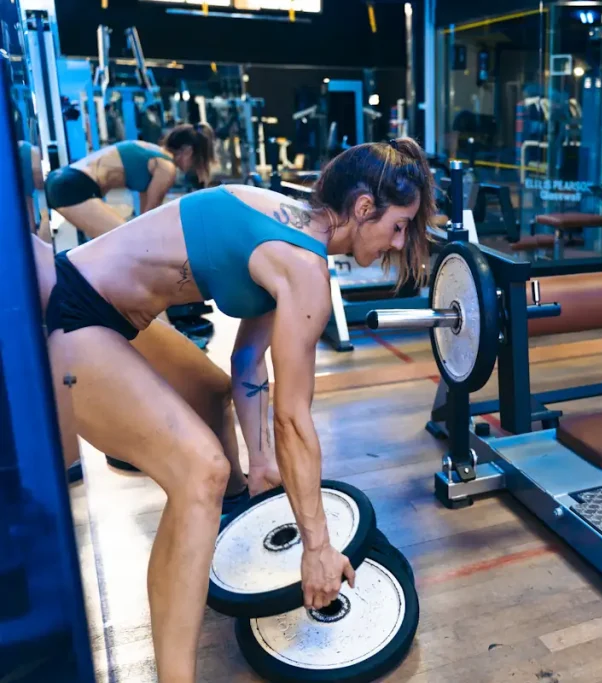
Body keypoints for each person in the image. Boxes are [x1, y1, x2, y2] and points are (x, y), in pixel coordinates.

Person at [39, 138, 434, 683]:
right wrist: (316, 547)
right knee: (202, 471)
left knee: (211, 392)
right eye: (399, 224)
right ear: (364, 207)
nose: (401, 241)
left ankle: (213, 540)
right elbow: (293, 418)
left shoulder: (294, 230)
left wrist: (266, 466)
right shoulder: (303, 266)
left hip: (109, 307)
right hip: (74, 314)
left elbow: (248, 362)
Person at [43, 122, 216, 239]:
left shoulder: (151, 151)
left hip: (62, 180)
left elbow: (143, 216)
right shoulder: (167, 168)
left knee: (119, 241)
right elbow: (149, 218)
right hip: (74, 186)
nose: (194, 167)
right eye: (197, 160)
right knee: (124, 242)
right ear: (187, 151)